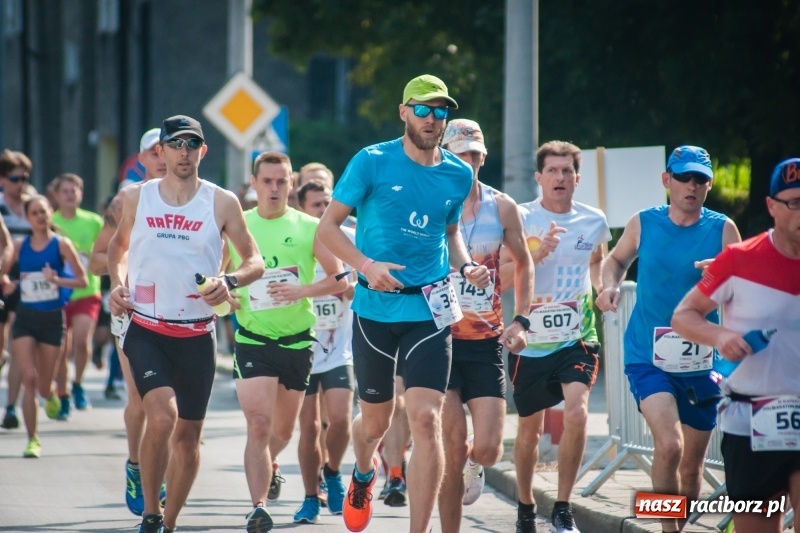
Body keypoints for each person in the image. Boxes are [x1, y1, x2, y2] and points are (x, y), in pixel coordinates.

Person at [317, 73, 491, 533]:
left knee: (426, 419)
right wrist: (365, 265)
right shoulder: (372, 162)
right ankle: (362, 471)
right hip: (374, 309)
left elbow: (450, 234)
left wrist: (468, 264)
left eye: (441, 111)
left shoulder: (457, 173)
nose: (432, 119)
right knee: (375, 421)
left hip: (429, 308)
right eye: (423, 109)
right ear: (403, 111)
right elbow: (328, 228)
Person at [107, 115, 264, 533]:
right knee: (161, 416)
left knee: (189, 438)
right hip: (146, 327)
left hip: (196, 333)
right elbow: (117, 249)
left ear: (203, 150)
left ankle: (170, 521)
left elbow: (255, 260)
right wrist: (117, 285)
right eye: (175, 144)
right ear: (160, 150)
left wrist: (227, 281)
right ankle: (151, 515)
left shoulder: (221, 201)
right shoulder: (138, 198)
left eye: (192, 144)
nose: (184, 152)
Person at [596, 145, 741, 533]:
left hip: (701, 364)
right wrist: (608, 286)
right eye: (683, 177)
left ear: (708, 186)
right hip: (648, 356)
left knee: (692, 468)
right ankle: (667, 530)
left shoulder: (723, 229)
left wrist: (725, 275)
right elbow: (615, 261)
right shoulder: (644, 222)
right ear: (667, 181)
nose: (691, 186)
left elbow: (744, 288)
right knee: (670, 445)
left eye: (700, 179)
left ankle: (676, 520)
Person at [672, 158, 800, 533]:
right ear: (772, 207)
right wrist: (721, 336)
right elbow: (685, 315)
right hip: (751, 420)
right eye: (793, 202)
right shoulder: (739, 260)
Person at [228, 152, 347, 531]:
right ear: (254, 183)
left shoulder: (311, 227)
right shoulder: (238, 226)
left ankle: (269, 466)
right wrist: (224, 297)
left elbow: (340, 279)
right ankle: (258, 507)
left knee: (282, 431)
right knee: (259, 425)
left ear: (291, 184)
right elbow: (218, 277)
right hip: (253, 339)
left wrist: (302, 291)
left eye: (281, 181)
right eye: (267, 181)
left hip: (297, 343)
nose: (274, 188)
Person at [506, 140, 610, 533]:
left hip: (576, 336)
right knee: (529, 431)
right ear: (539, 177)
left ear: (577, 178)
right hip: (531, 341)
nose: (560, 177)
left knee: (577, 413)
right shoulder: (520, 216)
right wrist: (536, 253)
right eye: (553, 170)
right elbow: (502, 270)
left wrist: (602, 290)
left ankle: (563, 507)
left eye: (567, 171)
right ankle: (526, 504)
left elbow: (599, 260)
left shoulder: (593, 220)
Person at [437, 119, 534, 533]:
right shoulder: (431, 204)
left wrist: (521, 319)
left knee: (491, 449)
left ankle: (475, 466)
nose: (469, 162)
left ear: (483, 158)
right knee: (450, 450)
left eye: (474, 154)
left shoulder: (503, 206)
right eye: (460, 154)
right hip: (437, 340)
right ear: (445, 156)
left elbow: (525, 262)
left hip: (485, 341)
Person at [89, 127, 167, 516]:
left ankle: (158, 467)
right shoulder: (126, 200)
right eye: (154, 152)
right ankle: (137, 465)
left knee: (171, 403)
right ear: (142, 160)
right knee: (140, 397)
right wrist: (127, 264)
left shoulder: (198, 198)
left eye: (167, 149)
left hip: (178, 311)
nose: (163, 157)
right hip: (133, 308)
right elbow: (95, 259)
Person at [294, 180, 355, 522]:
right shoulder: (298, 241)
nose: (322, 210)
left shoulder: (349, 240)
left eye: (326, 203)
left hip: (337, 351)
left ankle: (331, 471)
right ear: (303, 208)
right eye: (315, 205)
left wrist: (348, 289)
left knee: (342, 421)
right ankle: (309, 497)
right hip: (302, 348)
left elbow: (360, 290)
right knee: (309, 428)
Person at [10, 195, 87, 457]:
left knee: (43, 385)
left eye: (44, 212)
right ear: (28, 217)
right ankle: (33, 440)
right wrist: (11, 284)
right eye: (35, 213)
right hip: (25, 317)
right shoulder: (20, 246)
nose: (40, 217)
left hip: (52, 319)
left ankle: (51, 393)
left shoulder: (61, 245)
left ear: (50, 214)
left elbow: (83, 281)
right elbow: (10, 274)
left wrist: (56, 280)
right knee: (28, 378)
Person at [51, 172, 104, 415]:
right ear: (57, 195)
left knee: (82, 342)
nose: (70, 195)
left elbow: (107, 250)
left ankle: (79, 384)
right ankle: (63, 396)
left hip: (86, 291)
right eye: (65, 191)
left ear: (81, 194)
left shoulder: (94, 222)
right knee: (61, 350)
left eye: (74, 191)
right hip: (58, 296)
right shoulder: (50, 221)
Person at [0, 149, 33, 430]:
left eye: (24, 178)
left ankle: (10, 407)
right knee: (3, 350)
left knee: (18, 347)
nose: (20, 184)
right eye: (15, 178)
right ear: (2, 179)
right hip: (2, 279)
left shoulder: (33, 206)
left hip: (29, 282)